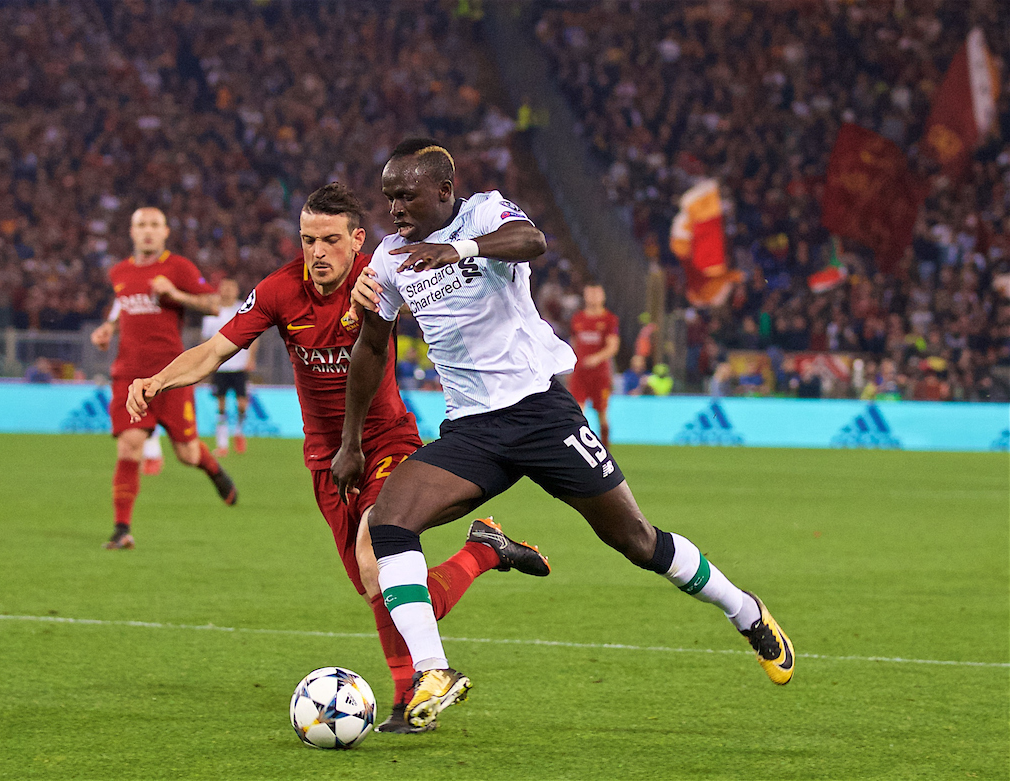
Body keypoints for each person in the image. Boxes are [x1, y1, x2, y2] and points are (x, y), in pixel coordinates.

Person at [336, 139, 794, 730]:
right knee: (390, 520)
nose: (394, 208)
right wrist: (351, 442)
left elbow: (534, 241)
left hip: (542, 415)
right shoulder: (389, 259)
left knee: (635, 540)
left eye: (406, 195)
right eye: (388, 197)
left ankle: (745, 611)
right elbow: (372, 347)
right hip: (474, 432)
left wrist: (457, 249)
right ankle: (434, 670)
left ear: (444, 190)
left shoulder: (485, 214)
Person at [126, 183, 550, 733]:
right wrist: (159, 380)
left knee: (377, 548)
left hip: (386, 441)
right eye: (307, 240)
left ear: (356, 240)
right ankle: (482, 553)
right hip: (324, 455)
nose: (317, 252)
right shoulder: (280, 290)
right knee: (382, 589)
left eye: (329, 240)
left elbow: (452, 310)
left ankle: (414, 696)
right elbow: (215, 350)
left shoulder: (382, 278)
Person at [89, 207, 237, 550]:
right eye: (141, 225)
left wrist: (175, 294)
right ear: (132, 231)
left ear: (165, 232)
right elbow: (119, 306)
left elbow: (214, 305)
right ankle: (121, 528)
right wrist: (107, 329)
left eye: (154, 225)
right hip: (128, 374)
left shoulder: (178, 268)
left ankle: (213, 470)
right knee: (130, 447)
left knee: (186, 453)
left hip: (171, 375)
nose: (148, 231)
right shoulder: (120, 272)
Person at [199, 278, 255, 456]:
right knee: (221, 405)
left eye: (231, 288)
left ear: (237, 290)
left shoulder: (243, 309)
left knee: (242, 405)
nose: (228, 291)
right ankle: (222, 443)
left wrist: (250, 358)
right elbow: (205, 341)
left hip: (239, 366)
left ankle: (238, 432)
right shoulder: (212, 313)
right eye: (225, 288)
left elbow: (254, 337)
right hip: (220, 366)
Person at [567, 283, 620, 445]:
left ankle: (606, 449)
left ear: (603, 296)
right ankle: (580, 450)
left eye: (597, 294)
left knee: (602, 414)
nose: (593, 297)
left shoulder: (609, 319)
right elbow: (573, 343)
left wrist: (596, 358)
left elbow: (613, 346)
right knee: (577, 413)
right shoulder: (578, 319)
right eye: (590, 294)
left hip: (600, 375)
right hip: (580, 374)